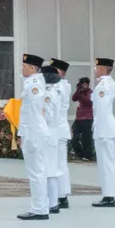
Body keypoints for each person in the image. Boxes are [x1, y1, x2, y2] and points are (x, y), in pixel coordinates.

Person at [17, 54, 52, 220]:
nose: (22, 69)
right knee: (38, 171)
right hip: (35, 131)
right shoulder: (34, 83)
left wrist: (22, 134)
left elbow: (29, 114)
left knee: (36, 172)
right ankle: (40, 207)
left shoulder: (33, 84)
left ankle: (39, 209)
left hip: (34, 132)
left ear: (32, 68)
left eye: (24, 66)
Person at [91, 58, 115, 208]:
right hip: (104, 129)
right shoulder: (106, 83)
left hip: (105, 130)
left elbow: (101, 109)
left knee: (107, 164)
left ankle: (109, 196)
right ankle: (107, 195)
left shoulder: (104, 85)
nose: (95, 70)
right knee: (104, 164)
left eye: (97, 67)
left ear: (102, 69)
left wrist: (98, 128)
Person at [48, 58, 73, 208]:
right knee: (59, 162)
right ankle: (61, 194)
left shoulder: (59, 86)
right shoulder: (63, 85)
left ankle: (61, 195)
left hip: (57, 128)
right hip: (60, 128)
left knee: (59, 163)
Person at [40, 66, 64, 215]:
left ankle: (52, 202)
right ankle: (53, 202)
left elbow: (47, 115)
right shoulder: (55, 92)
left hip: (47, 134)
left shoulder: (48, 94)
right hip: (53, 133)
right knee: (52, 169)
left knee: (48, 170)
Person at [70, 77, 95, 161]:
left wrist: (81, 93)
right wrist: (78, 90)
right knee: (73, 136)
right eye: (82, 84)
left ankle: (87, 155)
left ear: (88, 84)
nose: (83, 86)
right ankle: (79, 153)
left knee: (86, 138)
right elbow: (73, 98)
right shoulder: (80, 91)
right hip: (79, 118)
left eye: (85, 84)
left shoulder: (90, 92)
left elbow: (88, 102)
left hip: (87, 118)